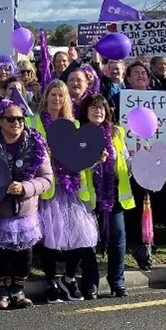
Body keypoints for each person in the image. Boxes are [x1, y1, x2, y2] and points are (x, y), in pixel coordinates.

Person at [0, 98, 53, 309]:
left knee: (24, 252)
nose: (16, 122)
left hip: (25, 209)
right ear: (0, 121)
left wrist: (25, 187)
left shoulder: (36, 144)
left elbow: (46, 178)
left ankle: (18, 290)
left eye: (20, 118)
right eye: (10, 118)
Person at [36, 80, 99, 302]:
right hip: (50, 187)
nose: (57, 100)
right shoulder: (36, 123)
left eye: (60, 96)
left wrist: (95, 158)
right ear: (46, 97)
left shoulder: (75, 125)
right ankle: (52, 281)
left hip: (72, 188)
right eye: (53, 95)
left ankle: (69, 278)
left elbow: (81, 159)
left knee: (81, 235)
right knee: (51, 237)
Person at [76, 93, 134, 297]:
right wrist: (94, 159)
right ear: (85, 111)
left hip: (114, 193)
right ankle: (90, 283)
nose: (97, 110)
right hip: (88, 195)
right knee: (89, 240)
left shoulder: (117, 132)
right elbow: (75, 164)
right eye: (93, 107)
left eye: (101, 107)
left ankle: (117, 282)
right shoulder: (79, 132)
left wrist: (134, 160)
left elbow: (125, 162)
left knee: (117, 238)